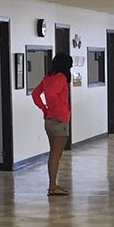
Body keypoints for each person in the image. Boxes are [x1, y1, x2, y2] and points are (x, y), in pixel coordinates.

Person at [31, 54, 72, 197]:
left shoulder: (47, 78)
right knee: (56, 154)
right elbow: (53, 95)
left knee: (54, 153)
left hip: (49, 120)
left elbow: (35, 94)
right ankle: (53, 186)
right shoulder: (61, 77)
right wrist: (55, 111)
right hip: (59, 120)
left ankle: (53, 185)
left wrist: (45, 109)